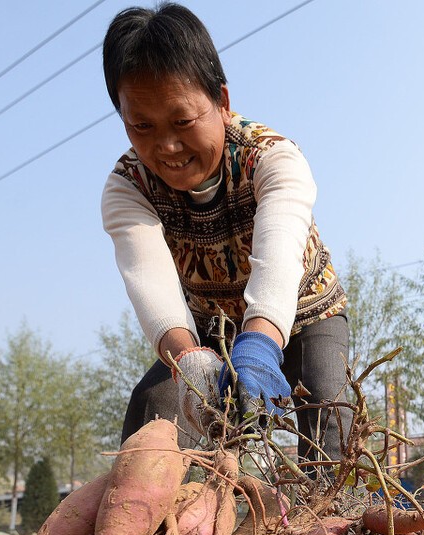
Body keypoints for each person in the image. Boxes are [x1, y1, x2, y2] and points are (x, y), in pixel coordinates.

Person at [100, 3, 350, 463]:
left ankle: (334, 520)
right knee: (154, 408)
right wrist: (190, 363)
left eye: (183, 122)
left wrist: (258, 344)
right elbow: (151, 283)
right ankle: (144, 521)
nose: (167, 147)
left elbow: (277, 258)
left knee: (328, 410)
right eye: (142, 126)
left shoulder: (272, 159)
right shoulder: (127, 188)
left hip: (303, 312)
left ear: (222, 101)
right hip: (207, 327)